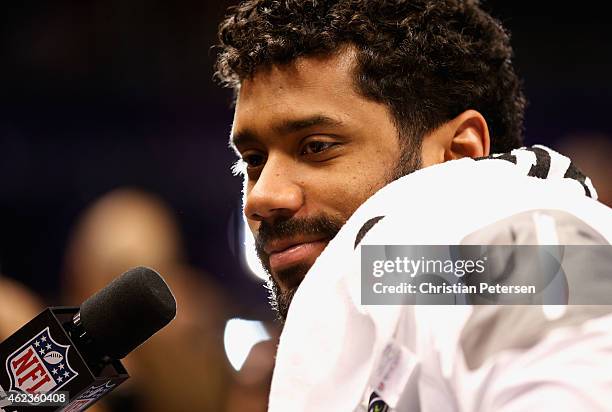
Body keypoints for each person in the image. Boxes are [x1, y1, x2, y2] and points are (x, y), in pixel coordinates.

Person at [214, 1, 612, 411]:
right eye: (254, 160)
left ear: (460, 155)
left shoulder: (516, 235)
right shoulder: (389, 289)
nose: (262, 197)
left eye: (317, 147)